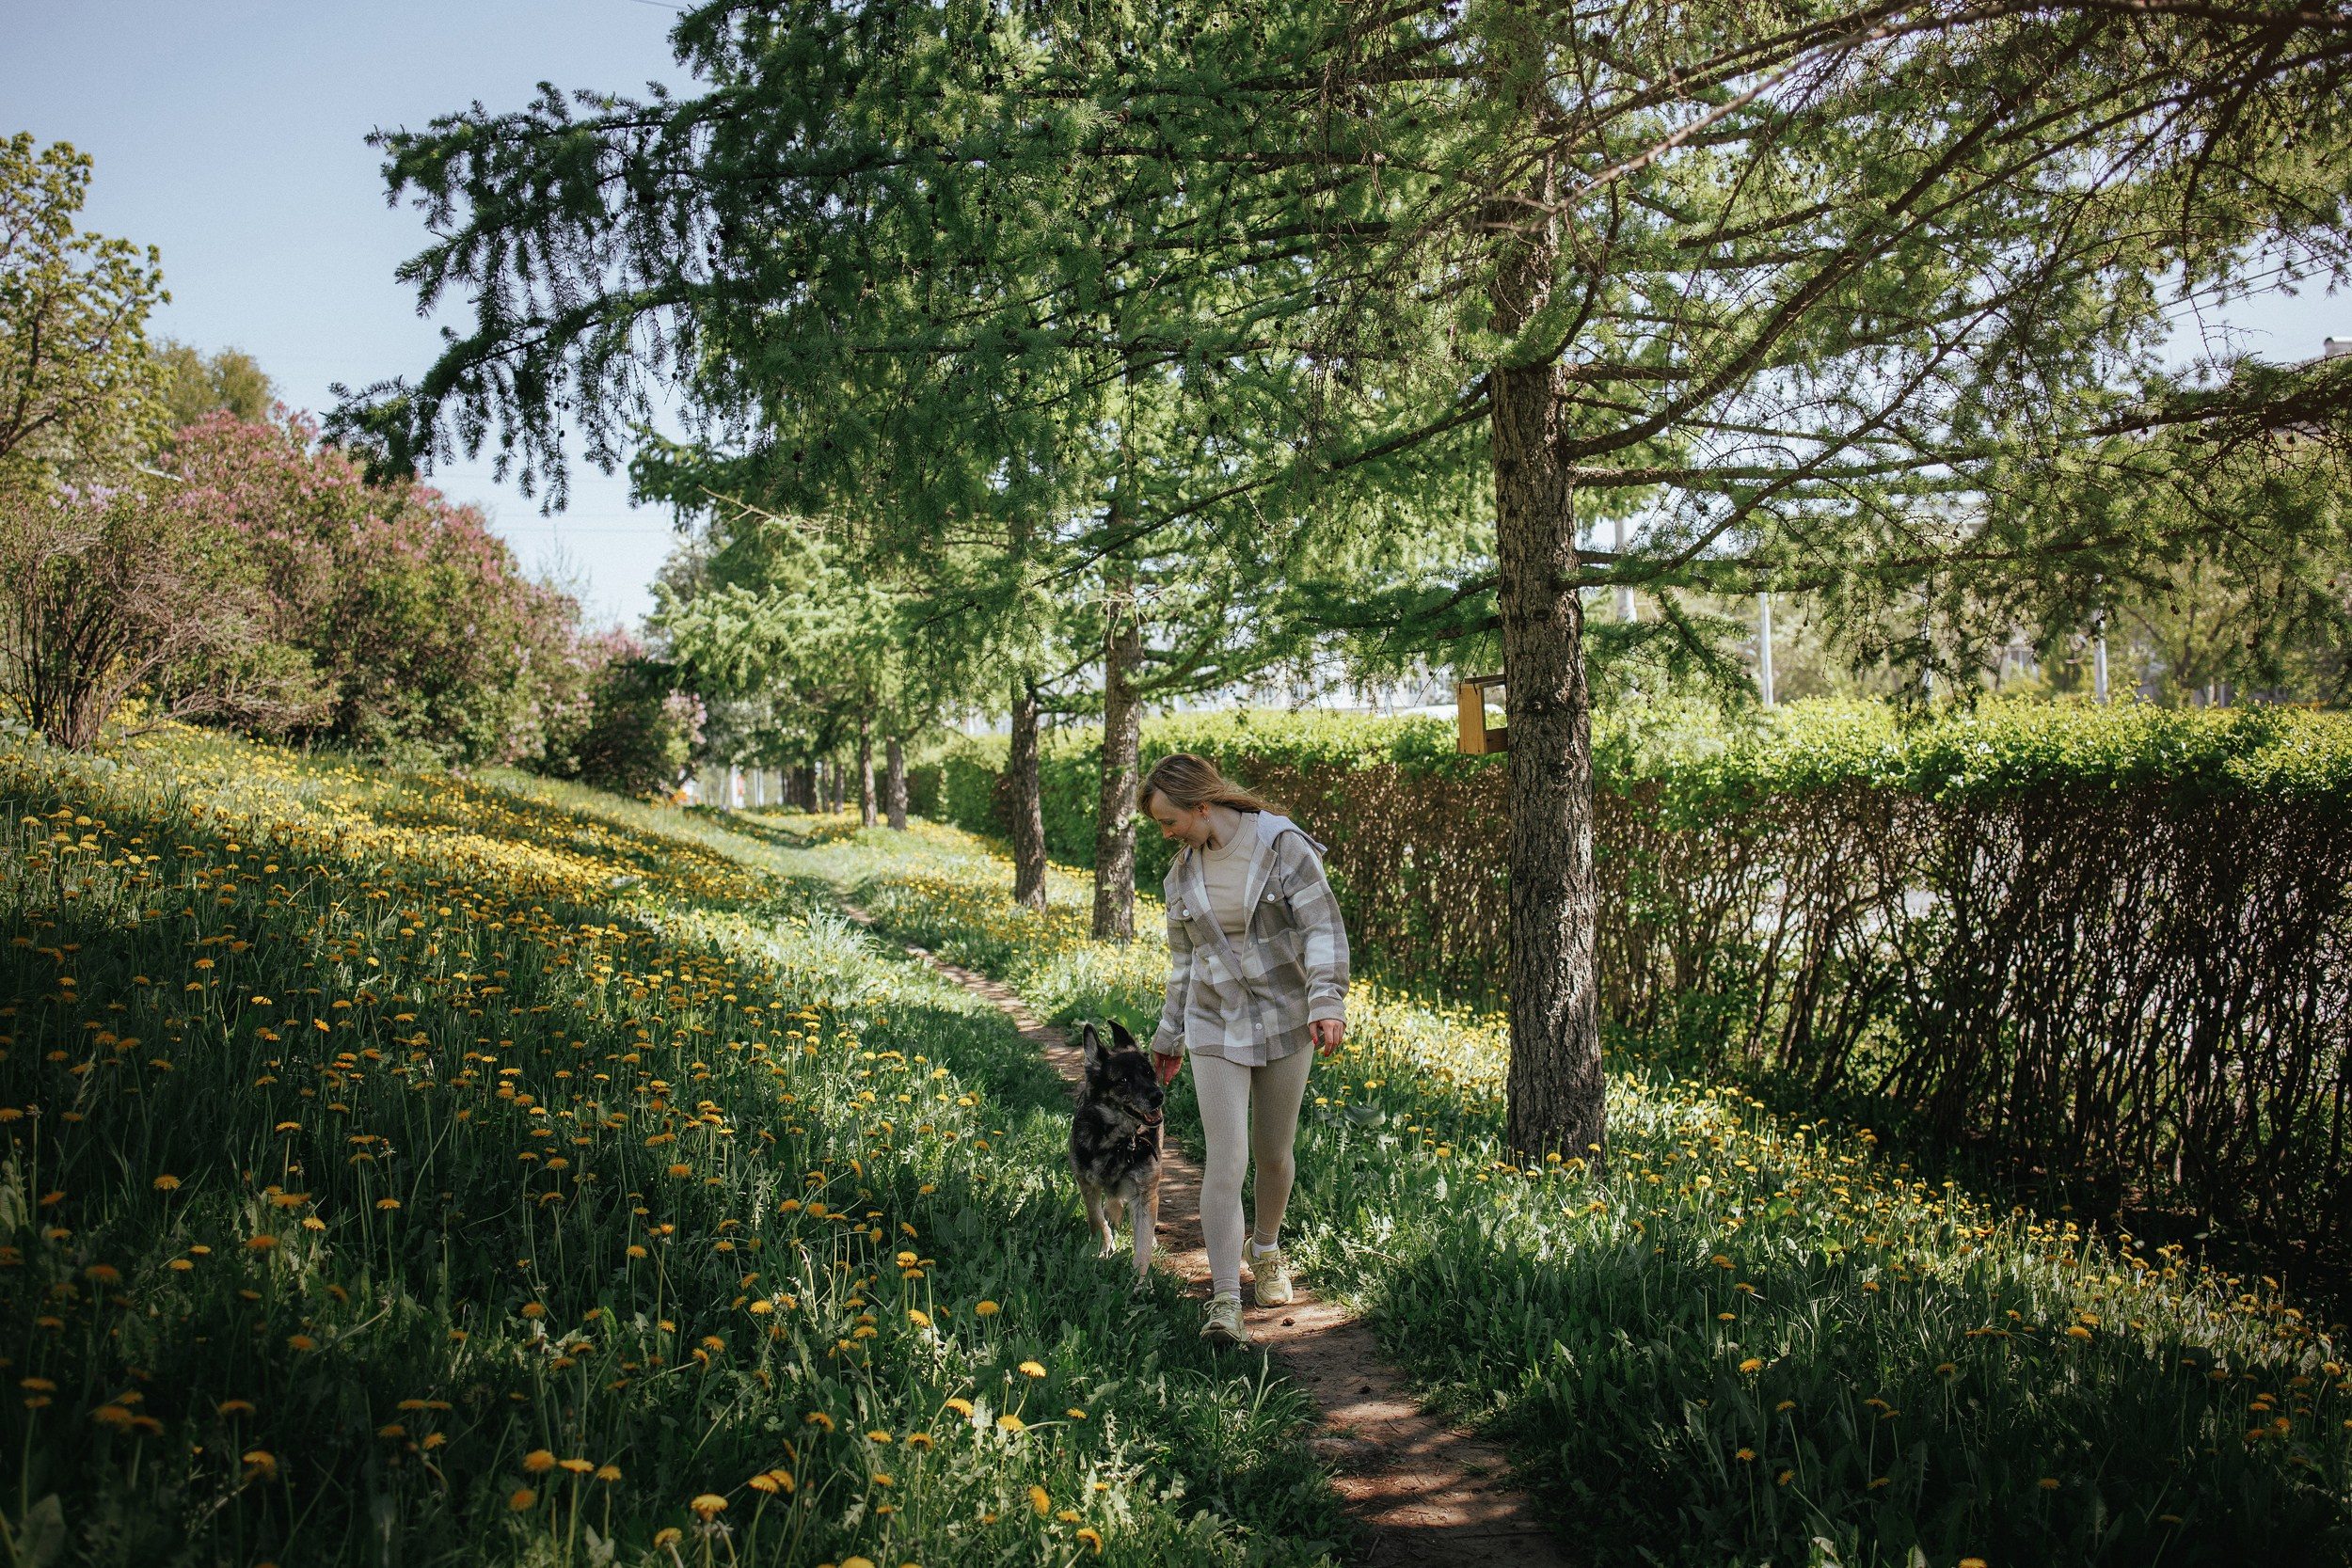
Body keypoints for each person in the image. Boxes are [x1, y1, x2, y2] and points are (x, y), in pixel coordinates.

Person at [1140, 752, 1349, 1346]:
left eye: (1169, 821)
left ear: (1202, 806)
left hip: (1285, 1016)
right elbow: (1183, 964)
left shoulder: (1282, 845)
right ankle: (1225, 1301)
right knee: (1226, 1159)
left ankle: (1268, 1248)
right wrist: (1169, 1035)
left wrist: (1327, 1002)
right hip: (1215, 1020)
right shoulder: (1180, 874)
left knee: (1273, 1154)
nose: (1166, 834)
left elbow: (1322, 928)